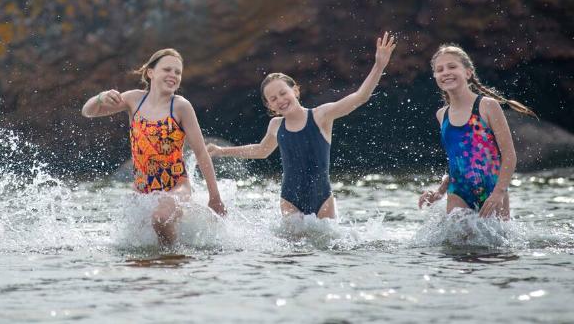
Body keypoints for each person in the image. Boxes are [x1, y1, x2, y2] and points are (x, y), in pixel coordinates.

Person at [208, 32, 396, 219]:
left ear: (295, 90)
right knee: (295, 248)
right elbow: (261, 150)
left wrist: (379, 65)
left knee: (326, 246)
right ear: (270, 106)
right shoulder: (275, 125)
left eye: (283, 93)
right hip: (290, 200)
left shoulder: (321, 116)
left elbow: (359, 97)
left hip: (323, 199)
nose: (280, 100)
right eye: (273, 99)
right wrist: (221, 151)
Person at [81, 48, 226, 244]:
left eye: (178, 72)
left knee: (160, 218)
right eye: (167, 69)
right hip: (142, 190)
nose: (173, 75)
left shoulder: (181, 106)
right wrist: (100, 97)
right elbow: (88, 112)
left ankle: (173, 259)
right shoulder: (134, 100)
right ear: (151, 73)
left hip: (177, 187)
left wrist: (215, 197)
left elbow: (201, 152)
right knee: (137, 255)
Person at [418, 44, 534, 219]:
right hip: (458, 191)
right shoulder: (442, 115)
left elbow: (509, 154)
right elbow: (458, 160)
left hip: (492, 189)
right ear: (435, 76)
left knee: (495, 245)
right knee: (456, 243)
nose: (445, 72)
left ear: (468, 72)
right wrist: (440, 192)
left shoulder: (487, 106)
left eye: (452, 66)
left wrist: (499, 193)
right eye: (439, 69)